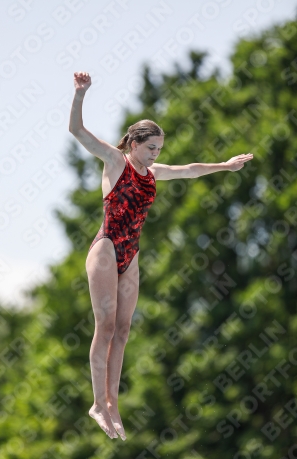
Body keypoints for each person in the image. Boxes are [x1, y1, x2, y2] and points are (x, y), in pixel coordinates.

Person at [69, 71, 253, 440]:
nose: (155, 155)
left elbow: (190, 170)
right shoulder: (115, 161)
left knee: (122, 330)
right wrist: (80, 94)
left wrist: (225, 165)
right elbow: (77, 131)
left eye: (159, 150)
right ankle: (97, 404)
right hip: (106, 247)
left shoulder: (153, 174)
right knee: (104, 327)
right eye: (151, 148)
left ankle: (113, 404)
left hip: (131, 253)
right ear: (134, 143)